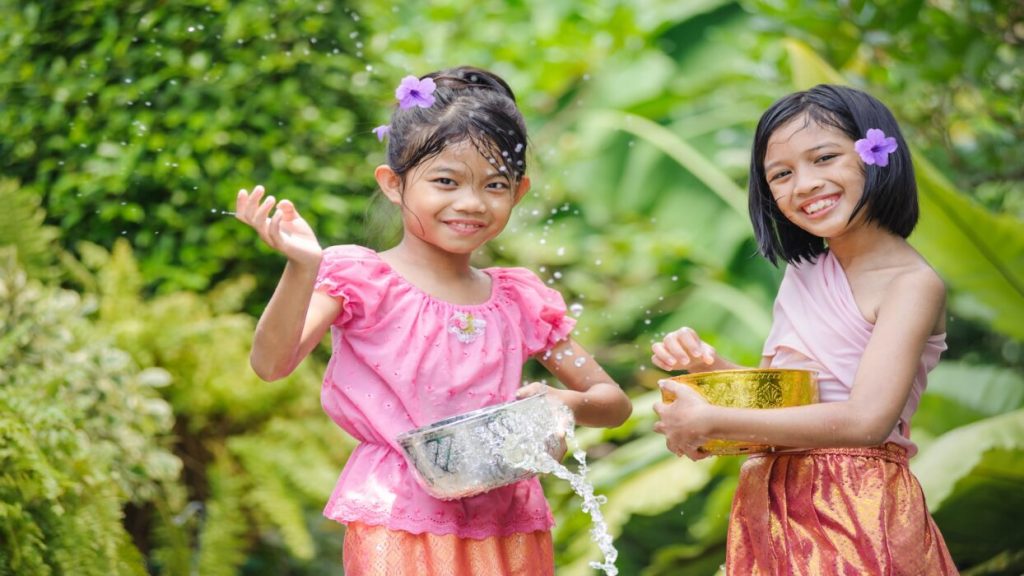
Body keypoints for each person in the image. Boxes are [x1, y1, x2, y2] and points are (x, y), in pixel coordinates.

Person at [234, 65, 632, 576]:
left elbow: (612, 403)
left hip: (509, 522)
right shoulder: (361, 279)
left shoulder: (520, 300)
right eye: (446, 181)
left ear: (520, 191)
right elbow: (270, 363)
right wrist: (302, 267)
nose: (471, 202)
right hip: (398, 517)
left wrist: (564, 403)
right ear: (394, 185)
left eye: (495, 184)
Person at [651, 84, 958, 574]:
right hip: (772, 501)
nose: (805, 184)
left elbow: (865, 422)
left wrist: (715, 422)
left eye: (825, 158)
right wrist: (708, 370)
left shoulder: (911, 285)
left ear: (876, 156)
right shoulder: (805, 273)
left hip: (858, 505)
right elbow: (779, 402)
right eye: (782, 174)